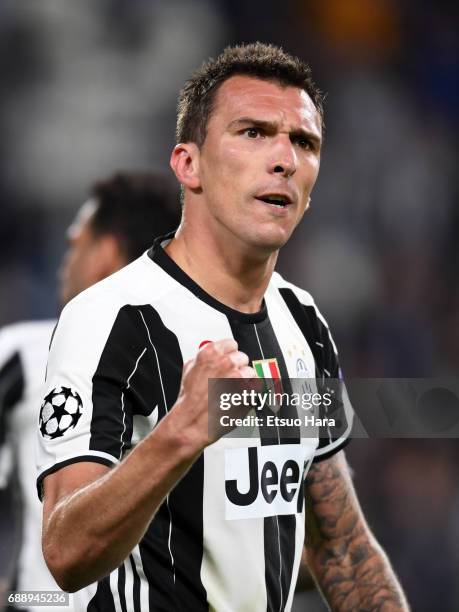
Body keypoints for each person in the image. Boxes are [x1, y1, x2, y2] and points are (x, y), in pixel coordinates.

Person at [37, 43, 409, 611]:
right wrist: (180, 433)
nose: (283, 157)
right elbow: (64, 553)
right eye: (253, 133)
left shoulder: (302, 322)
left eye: (303, 142)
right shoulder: (110, 318)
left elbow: (341, 549)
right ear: (188, 165)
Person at [0, 171, 180, 611]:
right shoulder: (219, 357)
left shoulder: (25, 353)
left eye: (74, 244)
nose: (65, 262)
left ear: (106, 251)